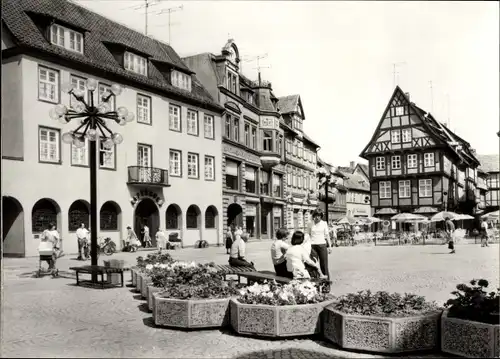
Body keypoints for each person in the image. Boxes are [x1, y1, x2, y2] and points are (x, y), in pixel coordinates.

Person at [307, 209, 331, 279]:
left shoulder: (324, 223)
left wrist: (330, 246)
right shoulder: (310, 223)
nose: (317, 217)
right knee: (313, 264)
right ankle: (316, 280)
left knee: (324, 264)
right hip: (312, 246)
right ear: (313, 216)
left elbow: (327, 235)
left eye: (319, 216)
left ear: (321, 216)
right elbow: (307, 235)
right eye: (316, 215)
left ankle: (326, 282)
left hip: (322, 245)